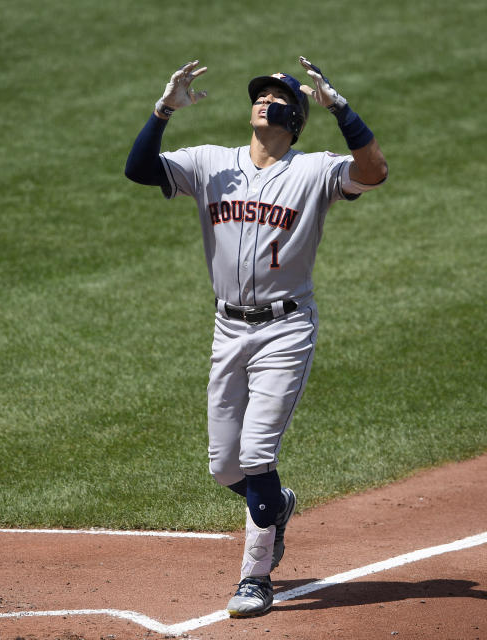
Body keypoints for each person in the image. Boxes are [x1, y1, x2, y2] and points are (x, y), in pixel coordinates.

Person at [124, 56, 387, 617]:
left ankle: (256, 576)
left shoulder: (314, 170)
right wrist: (164, 107)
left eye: (275, 96)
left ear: (294, 116)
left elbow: (374, 172)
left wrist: (341, 108)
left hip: (286, 329)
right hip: (227, 328)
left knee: (257, 453)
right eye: (258, 94)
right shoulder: (209, 164)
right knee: (225, 467)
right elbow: (139, 169)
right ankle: (277, 506)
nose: (262, 100)